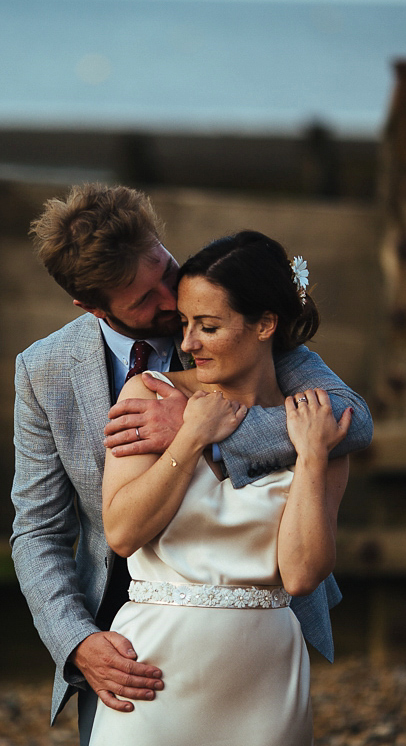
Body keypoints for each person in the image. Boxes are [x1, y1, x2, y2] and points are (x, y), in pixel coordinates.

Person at [10, 184, 372, 744]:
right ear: (93, 306)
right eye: (142, 298)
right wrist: (76, 640)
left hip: (263, 640)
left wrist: (201, 429)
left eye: (164, 268)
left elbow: (352, 422)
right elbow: (38, 529)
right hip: (126, 636)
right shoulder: (45, 370)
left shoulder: (236, 322)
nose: (170, 300)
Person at [89, 230, 351, 745]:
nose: (186, 344)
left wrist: (314, 458)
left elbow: (300, 575)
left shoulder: (314, 424)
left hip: (264, 682)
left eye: (208, 327)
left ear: (265, 325)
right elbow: (121, 534)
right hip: (154, 674)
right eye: (185, 324)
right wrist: (190, 437)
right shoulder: (150, 395)